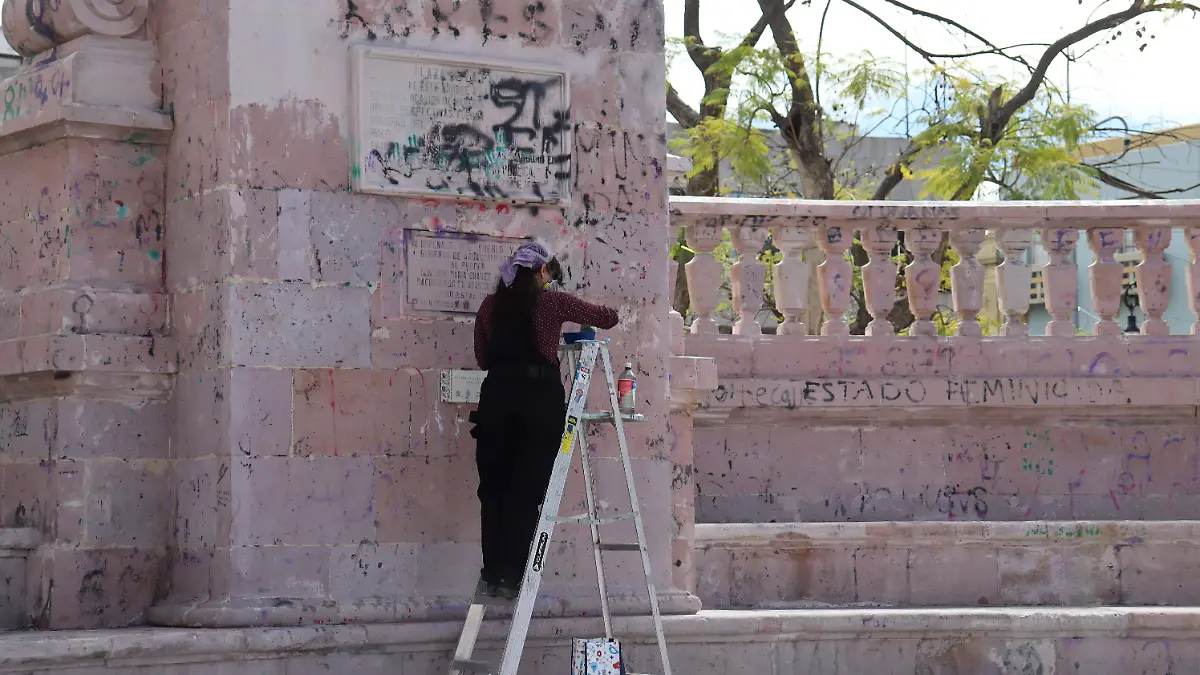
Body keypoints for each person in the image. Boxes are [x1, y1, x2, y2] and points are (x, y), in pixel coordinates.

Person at [470, 242, 619, 600]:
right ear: (540, 272)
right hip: (539, 403)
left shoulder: (490, 307)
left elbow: (481, 358)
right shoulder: (554, 303)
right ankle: (512, 576)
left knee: (493, 492)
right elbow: (609, 317)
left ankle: (494, 573)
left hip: (497, 401)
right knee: (525, 491)